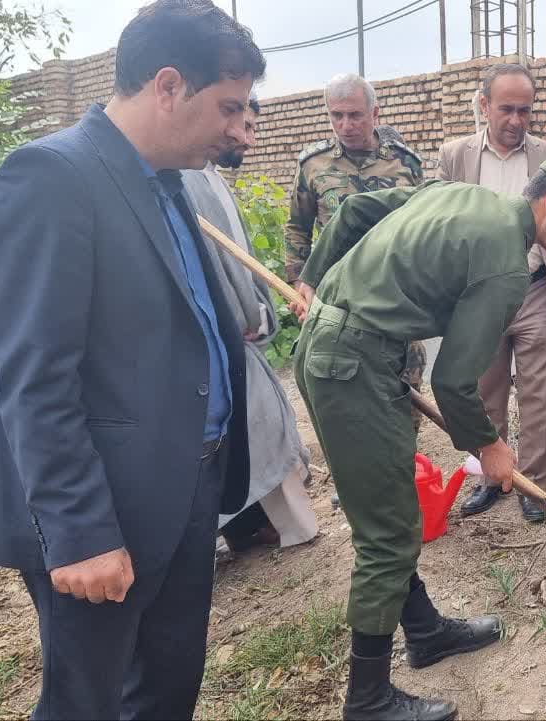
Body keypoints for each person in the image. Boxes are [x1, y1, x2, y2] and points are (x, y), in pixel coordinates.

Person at [0, 2, 263, 717]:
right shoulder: (53, 177)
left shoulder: (167, 180)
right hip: (107, 510)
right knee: (86, 698)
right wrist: (81, 530)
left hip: (185, 489)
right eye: (227, 107)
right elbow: (33, 375)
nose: (236, 128)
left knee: (169, 682)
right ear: (169, 86)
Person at [295, 151, 546, 720]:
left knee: (390, 512)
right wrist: (489, 446)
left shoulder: (458, 194)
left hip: (348, 353)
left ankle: (424, 632)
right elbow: (454, 380)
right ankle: (367, 700)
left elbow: (353, 211)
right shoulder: (506, 264)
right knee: (387, 536)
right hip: (352, 367)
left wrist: (310, 283)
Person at [438, 63, 546, 523]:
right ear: (484, 106)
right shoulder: (455, 156)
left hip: (536, 288)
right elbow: (442, 222)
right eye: (506, 109)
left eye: (525, 110)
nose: (516, 120)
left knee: (539, 392)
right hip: (478, 294)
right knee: (486, 387)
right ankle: (490, 477)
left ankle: (534, 485)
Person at [181, 96, 319, 553]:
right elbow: (212, 267)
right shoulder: (187, 183)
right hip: (224, 339)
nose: (247, 138)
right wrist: (241, 318)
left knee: (263, 429)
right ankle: (272, 526)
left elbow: (240, 260)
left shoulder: (212, 181)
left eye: (253, 128)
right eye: (241, 125)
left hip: (242, 335)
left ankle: (254, 526)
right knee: (257, 431)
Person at [282, 73, 429, 431]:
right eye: (336, 116)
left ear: (375, 113)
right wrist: (299, 285)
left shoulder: (405, 164)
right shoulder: (313, 165)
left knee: (403, 399)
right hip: (337, 302)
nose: (345, 125)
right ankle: (350, 482)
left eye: (355, 115)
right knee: (343, 398)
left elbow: (425, 227)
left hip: (395, 301)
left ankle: (403, 473)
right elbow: (296, 228)